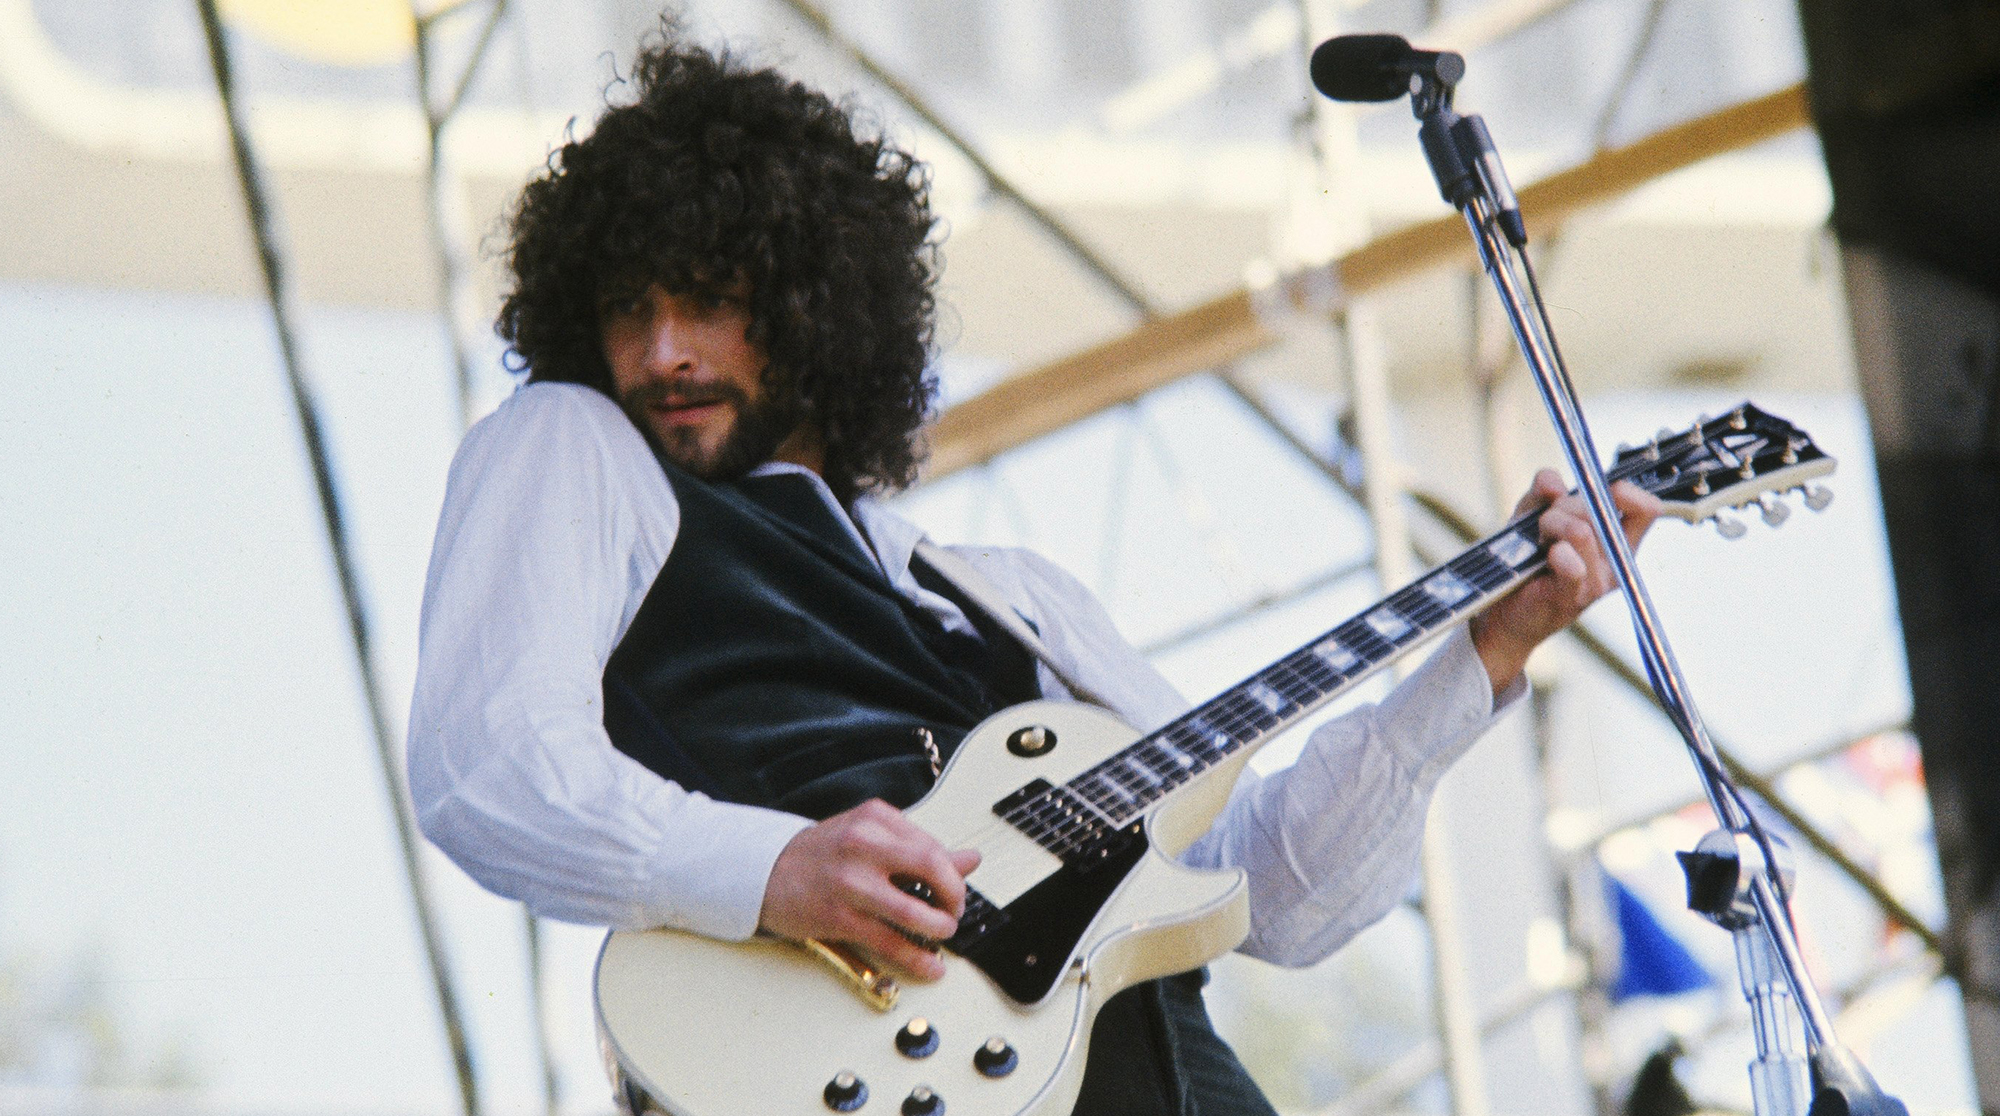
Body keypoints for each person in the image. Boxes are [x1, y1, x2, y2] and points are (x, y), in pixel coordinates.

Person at [406, 25, 1661, 1116]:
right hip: (849, 1072)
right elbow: (491, 766)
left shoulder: (1004, 592)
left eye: (710, 301)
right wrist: (770, 868)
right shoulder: (574, 447)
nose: (662, 351)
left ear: (808, 306)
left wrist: (1485, 651)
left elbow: (1271, 888)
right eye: (629, 311)